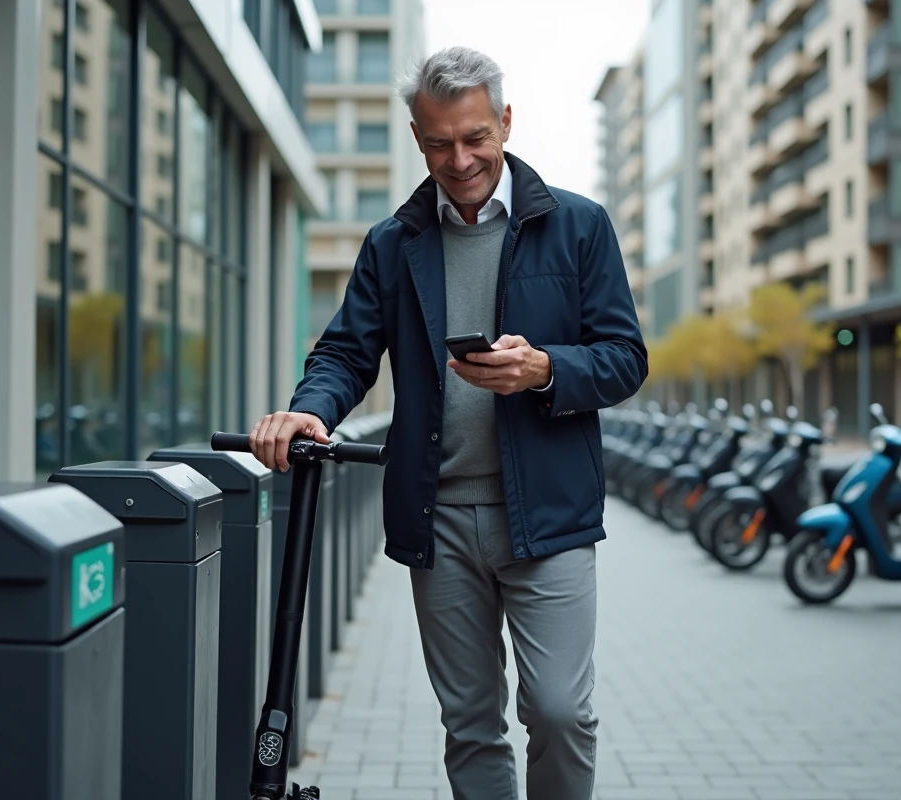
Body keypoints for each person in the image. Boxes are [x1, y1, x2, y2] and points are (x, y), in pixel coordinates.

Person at [247, 47, 648, 800]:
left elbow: (625, 358)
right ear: (415, 137)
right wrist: (312, 407)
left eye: (474, 137)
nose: (459, 159)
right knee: (470, 723)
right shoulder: (393, 245)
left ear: (504, 121)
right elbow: (344, 352)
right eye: (438, 143)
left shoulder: (580, 227)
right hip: (439, 515)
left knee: (561, 711)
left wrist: (547, 369)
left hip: (550, 515)